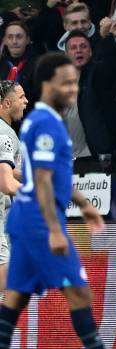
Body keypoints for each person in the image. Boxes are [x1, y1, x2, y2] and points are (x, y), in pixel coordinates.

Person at [0, 52, 116, 349]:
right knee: (78, 292)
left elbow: (52, 176)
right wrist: (55, 229)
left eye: (75, 82)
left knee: (14, 299)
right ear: (47, 84)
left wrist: (83, 204)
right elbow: (39, 179)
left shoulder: (47, 120)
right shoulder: (43, 124)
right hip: (39, 223)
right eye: (65, 82)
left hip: (27, 221)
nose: (72, 88)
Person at [63, 30, 116, 174]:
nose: (78, 51)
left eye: (83, 46)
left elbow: (111, 66)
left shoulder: (98, 74)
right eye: (73, 47)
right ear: (66, 54)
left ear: (90, 52)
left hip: (94, 157)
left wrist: (106, 37)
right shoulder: (57, 83)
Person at [0, 80, 26, 291]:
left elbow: (6, 171)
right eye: (21, 97)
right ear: (7, 104)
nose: (26, 101)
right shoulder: (5, 135)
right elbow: (6, 183)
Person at [0, 21, 38, 103]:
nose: (14, 41)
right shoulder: (1, 64)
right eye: (10, 37)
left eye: (19, 37)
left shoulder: (39, 64)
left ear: (28, 40)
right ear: (5, 40)